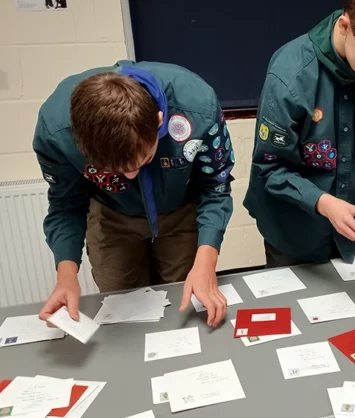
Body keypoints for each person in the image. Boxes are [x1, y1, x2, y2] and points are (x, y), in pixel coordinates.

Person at [33, 60, 235, 327]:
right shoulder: (56, 131)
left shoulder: (197, 106)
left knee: (183, 311)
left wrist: (207, 261)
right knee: (123, 317)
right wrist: (66, 276)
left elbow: (215, 187)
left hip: (181, 209)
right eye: (114, 170)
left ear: (158, 122)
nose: (129, 175)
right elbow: (66, 203)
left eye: (141, 161)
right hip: (112, 213)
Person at [243, 0, 355, 268]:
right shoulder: (292, 74)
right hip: (292, 232)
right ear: (345, 26)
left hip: (347, 229)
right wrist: (325, 204)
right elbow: (270, 170)